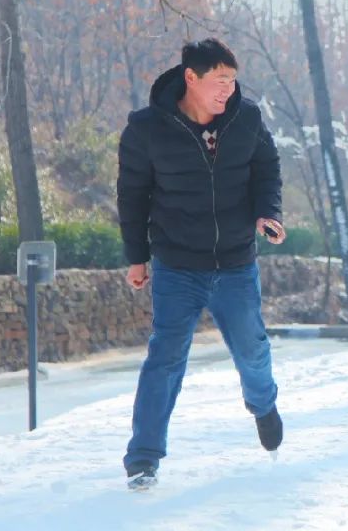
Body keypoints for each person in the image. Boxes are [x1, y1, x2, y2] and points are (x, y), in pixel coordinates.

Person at [117, 38, 286, 488]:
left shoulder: (246, 118)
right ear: (190, 78)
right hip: (176, 266)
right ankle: (144, 458)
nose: (228, 90)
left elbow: (267, 167)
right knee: (165, 359)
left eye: (232, 80)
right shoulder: (147, 129)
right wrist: (136, 257)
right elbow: (132, 196)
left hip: (234, 263)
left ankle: (263, 405)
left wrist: (268, 213)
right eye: (219, 81)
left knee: (252, 350)